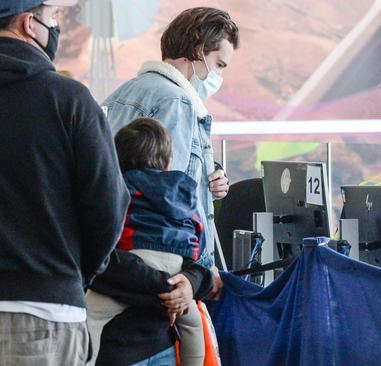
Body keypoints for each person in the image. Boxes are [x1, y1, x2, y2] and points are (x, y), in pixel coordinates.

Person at [0, 1, 129, 364]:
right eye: (53, 17)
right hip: (46, 315)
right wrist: (72, 275)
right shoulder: (69, 100)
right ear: (29, 24)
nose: (57, 26)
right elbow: (107, 208)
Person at [103, 6, 238, 288]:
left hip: (118, 251)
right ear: (199, 50)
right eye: (219, 65)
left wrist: (208, 174)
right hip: (165, 265)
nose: (219, 76)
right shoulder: (177, 102)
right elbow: (169, 196)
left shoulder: (122, 94)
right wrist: (196, 276)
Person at [86, 118, 207, 366]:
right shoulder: (183, 193)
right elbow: (200, 242)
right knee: (192, 324)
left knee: (90, 316)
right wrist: (177, 282)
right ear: (167, 161)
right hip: (176, 270)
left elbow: (100, 243)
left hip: (132, 260)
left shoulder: (115, 187)